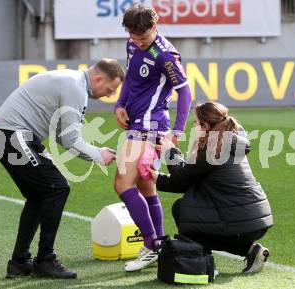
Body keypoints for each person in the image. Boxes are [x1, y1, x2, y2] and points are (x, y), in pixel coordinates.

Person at [0, 58, 123, 279]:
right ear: (98, 78)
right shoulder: (76, 88)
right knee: (57, 188)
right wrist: (99, 155)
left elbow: (63, 136)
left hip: (9, 135)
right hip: (12, 135)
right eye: (110, 89)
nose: (109, 95)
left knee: (40, 196)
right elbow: (70, 141)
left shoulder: (74, 82)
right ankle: (45, 260)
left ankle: (20, 262)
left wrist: (98, 152)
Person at [148, 102, 274, 274]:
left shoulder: (213, 148)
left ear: (205, 126)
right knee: (188, 208)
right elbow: (187, 180)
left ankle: (201, 261)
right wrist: (157, 177)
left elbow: (183, 177)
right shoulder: (224, 142)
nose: (193, 127)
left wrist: (170, 152)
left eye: (195, 123)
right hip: (254, 220)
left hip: (240, 222)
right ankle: (251, 251)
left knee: (182, 209)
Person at [113, 4, 192, 272]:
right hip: (135, 122)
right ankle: (158, 246)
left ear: (155, 28)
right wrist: (119, 104)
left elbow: (186, 93)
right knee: (146, 186)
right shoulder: (133, 43)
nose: (137, 42)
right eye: (133, 37)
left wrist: (177, 132)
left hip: (151, 127)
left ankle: (152, 244)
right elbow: (131, 79)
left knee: (123, 183)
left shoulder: (166, 56)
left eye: (142, 38)